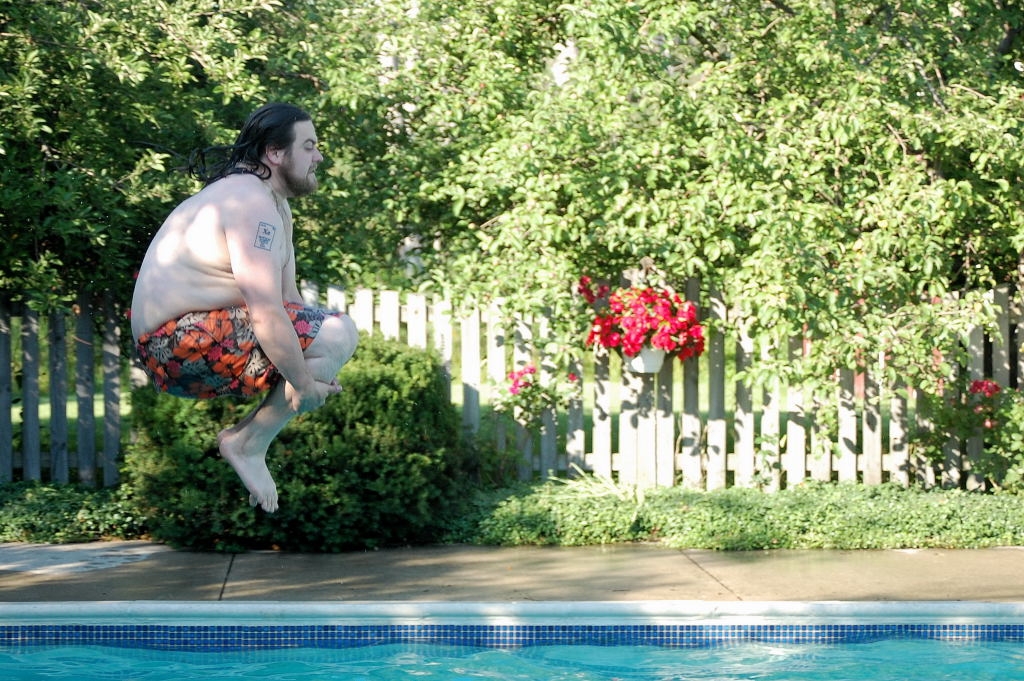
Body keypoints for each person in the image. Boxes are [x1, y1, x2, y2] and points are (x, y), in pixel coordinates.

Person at [130, 103, 358, 513]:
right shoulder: (249, 201)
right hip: (176, 345)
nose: (319, 157)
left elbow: (290, 305)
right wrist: (304, 385)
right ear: (275, 153)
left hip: (182, 347)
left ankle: (247, 441)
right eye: (309, 146)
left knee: (331, 335)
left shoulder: (273, 205)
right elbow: (266, 311)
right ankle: (248, 444)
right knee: (339, 331)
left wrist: (317, 365)